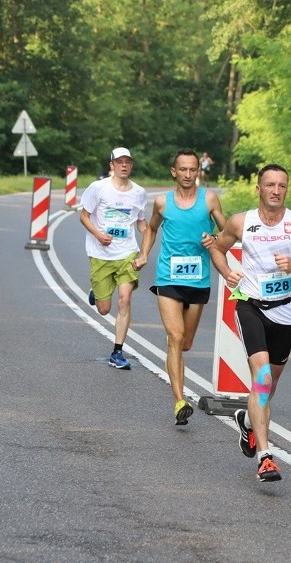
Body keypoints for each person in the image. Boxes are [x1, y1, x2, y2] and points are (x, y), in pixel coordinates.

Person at [209, 164, 291, 481]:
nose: (276, 190)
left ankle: (247, 422)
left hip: (285, 311)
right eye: (270, 185)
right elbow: (217, 250)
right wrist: (227, 272)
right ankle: (265, 457)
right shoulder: (241, 222)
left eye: (282, 186)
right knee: (261, 377)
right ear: (258, 189)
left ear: (287, 190)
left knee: (268, 387)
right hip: (250, 306)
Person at [136, 148, 227, 425]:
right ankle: (179, 401)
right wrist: (143, 255)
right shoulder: (162, 202)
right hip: (169, 278)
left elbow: (228, 233)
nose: (188, 174)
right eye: (183, 169)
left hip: (198, 279)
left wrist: (214, 239)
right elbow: (151, 228)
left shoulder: (209, 199)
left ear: (198, 171)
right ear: (174, 172)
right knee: (176, 336)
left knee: (185, 343)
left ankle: (174, 345)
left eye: (193, 169)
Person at [79, 147, 149, 369]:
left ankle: (117, 352)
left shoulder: (139, 192)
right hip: (100, 254)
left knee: (125, 299)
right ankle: (97, 291)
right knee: (103, 309)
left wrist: (145, 248)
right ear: (112, 166)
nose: (124, 165)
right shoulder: (98, 188)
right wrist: (99, 235)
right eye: (119, 162)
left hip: (126, 251)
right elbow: (84, 216)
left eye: (128, 162)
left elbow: (141, 222)